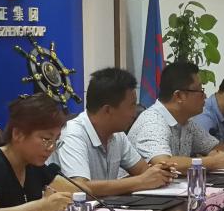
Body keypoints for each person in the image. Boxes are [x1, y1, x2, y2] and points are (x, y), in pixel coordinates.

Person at [58, 67, 176, 195]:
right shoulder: (73, 134)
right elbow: (79, 188)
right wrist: (141, 181)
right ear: (108, 110)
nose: (135, 112)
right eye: (131, 105)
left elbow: (143, 171)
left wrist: (160, 172)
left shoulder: (117, 134)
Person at [128, 61, 224, 171]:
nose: (205, 96)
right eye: (199, 90)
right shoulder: (153, 122)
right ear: (179, 96)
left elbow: (219, 148)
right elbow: (164, 164)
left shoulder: (187, 123)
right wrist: (212, 162)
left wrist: (215, 154)